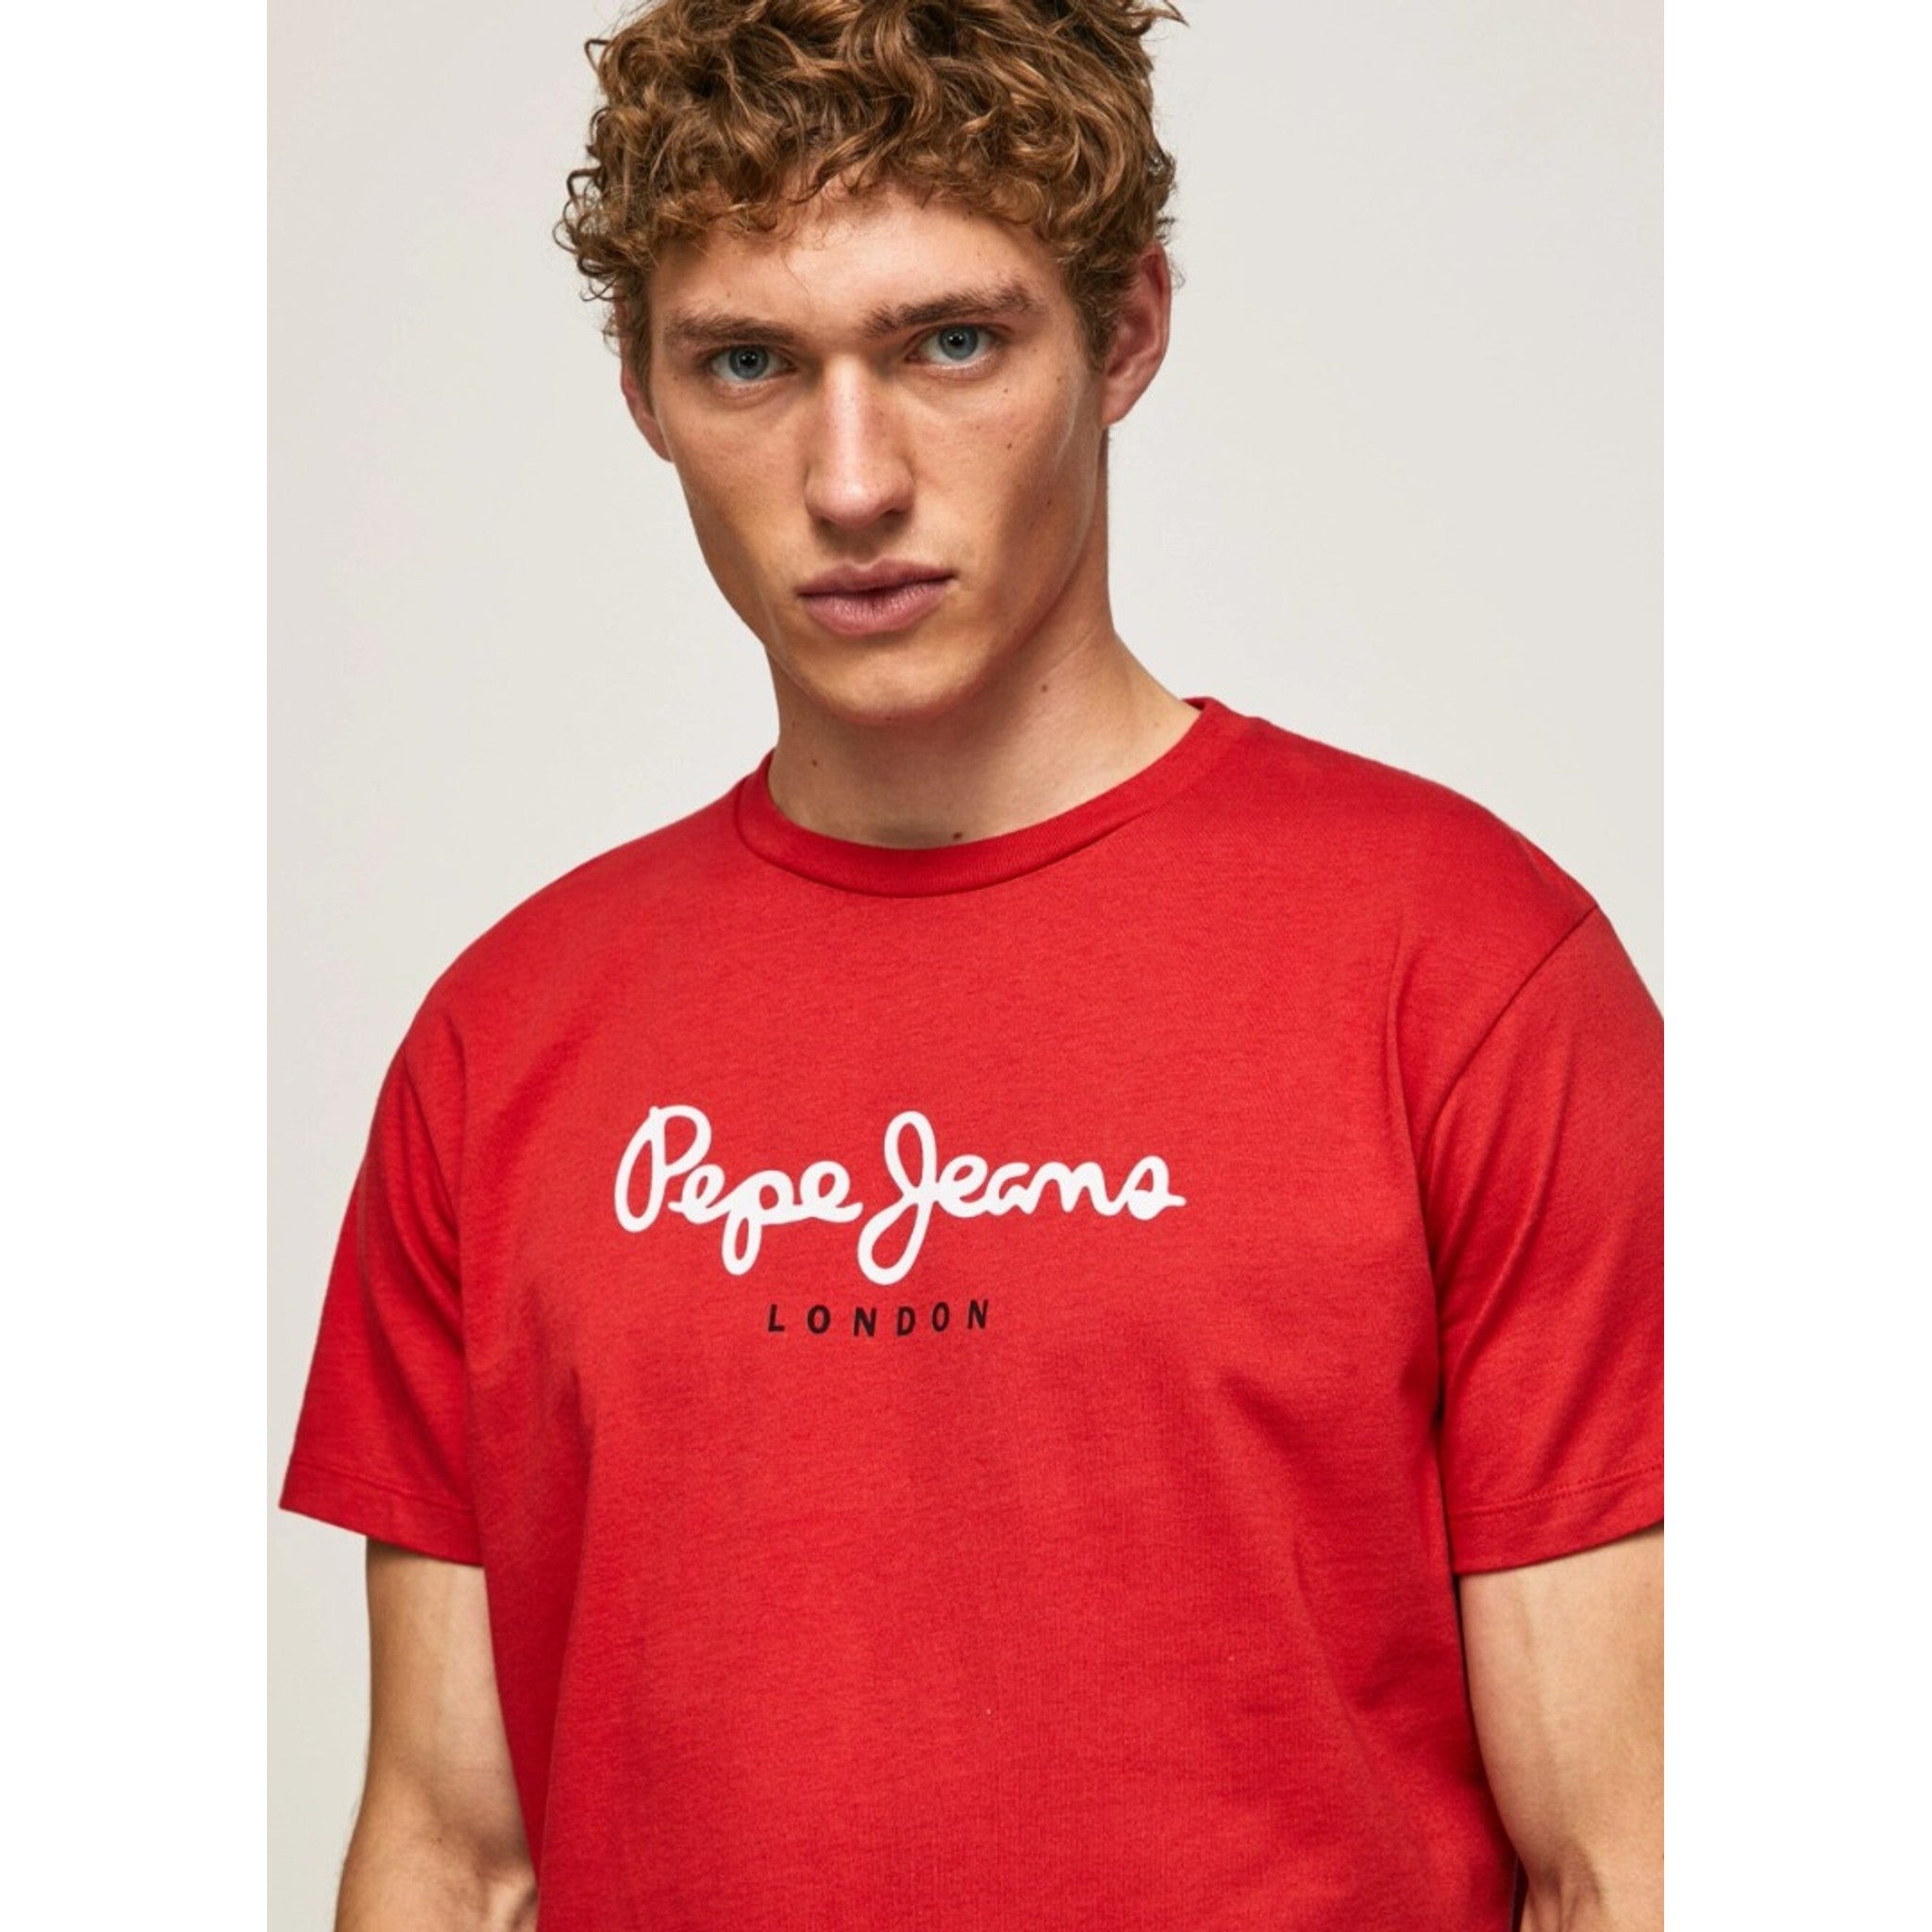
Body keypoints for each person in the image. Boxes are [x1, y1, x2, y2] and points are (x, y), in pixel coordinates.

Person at [278, 1, 1663, 1926]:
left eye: (950, 343)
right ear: (645, 392)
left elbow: (1626, 1858)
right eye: (749, 361)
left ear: (1128, 331)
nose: (852, 479)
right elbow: (449, 1856)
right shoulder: (505, 1042)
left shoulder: (1468, 974)